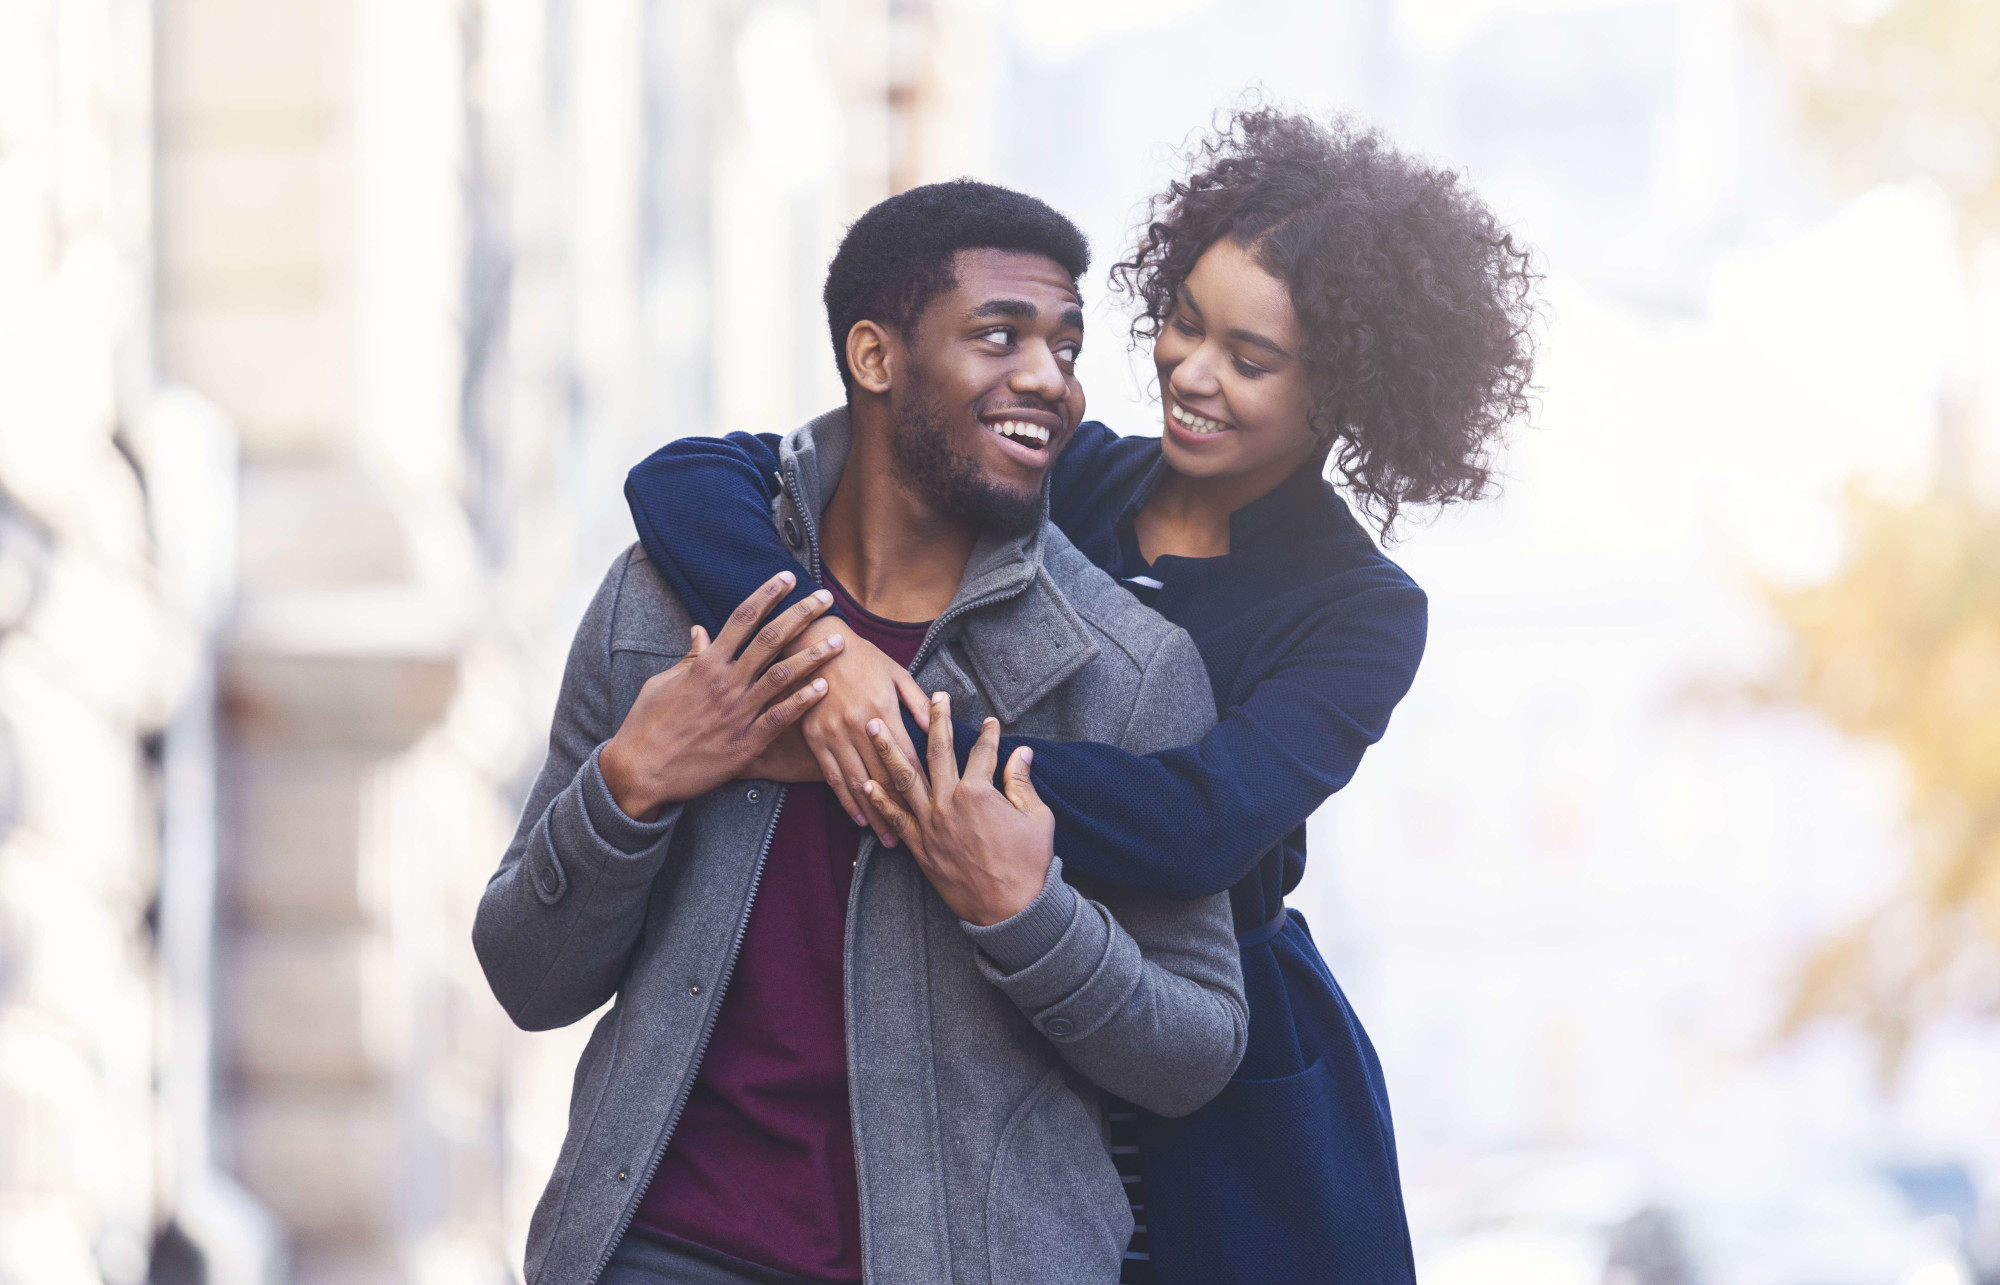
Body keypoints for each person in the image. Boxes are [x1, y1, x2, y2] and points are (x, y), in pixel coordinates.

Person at [622, 109, 1538, 1284]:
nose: (1190, 374)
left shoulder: (1360, 608)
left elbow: (1193, 820)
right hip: (972, 1018)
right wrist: (832, 655)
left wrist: (900, 747)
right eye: (1181, 323)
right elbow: (689, 475)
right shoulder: (1057, 466)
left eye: (1249, 361)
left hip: (1212, 1074)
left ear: (1344, 390)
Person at [474, 180, 1249, 1285]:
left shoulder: (1125, 675)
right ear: (875, 358)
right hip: (660, 1253)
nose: (1049, 379)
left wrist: (1023, 913)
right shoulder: (657, 612)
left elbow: (1195, 1052)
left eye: (1066, 347)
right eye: (1000, 335)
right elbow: (524, 977)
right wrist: (630, 782)